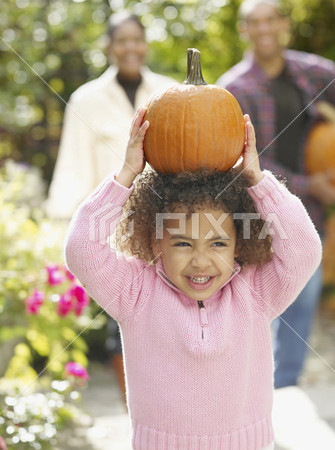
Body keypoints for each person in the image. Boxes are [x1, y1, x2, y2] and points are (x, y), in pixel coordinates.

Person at [65, 106, 322, 449]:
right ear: (156, 240)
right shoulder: (135, 293)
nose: (201, 261)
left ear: (238, 243)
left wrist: (258, 181)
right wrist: (126, 175)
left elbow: (305, 250)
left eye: (218, 242)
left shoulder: (256, 292)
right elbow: (82, 247)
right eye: (183, 243)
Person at [217, 0, 335, 388]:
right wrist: (310, 184)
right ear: (245, 31)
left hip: (307, 213)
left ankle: (285, 382)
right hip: (250, 210)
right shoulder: (233, 89)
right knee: (250, 296)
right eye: (255, 22)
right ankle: (245, 383)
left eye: (271, 19)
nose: (264, 28)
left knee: (305, 293)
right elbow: (244, 160)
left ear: (283, 24)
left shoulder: (313, 72)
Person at [45, 10, 177, 219]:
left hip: (163, 222)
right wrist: (61, 220)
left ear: (146, 45)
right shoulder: (85, 100)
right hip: (106, 223)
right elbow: (72, 168)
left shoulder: (171, 93)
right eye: (122, 41)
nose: (130, 47)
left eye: (137, 40)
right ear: (109, 47)